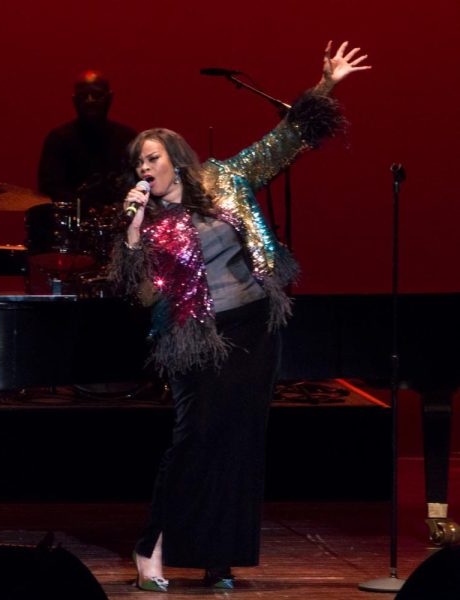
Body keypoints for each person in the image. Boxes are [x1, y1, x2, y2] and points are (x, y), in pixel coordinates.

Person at [110, 41, 370, 591]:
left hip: (253, 326)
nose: (144, 166)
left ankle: (218, 560)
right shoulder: (149, 223)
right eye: (138, 161)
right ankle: (151, 545)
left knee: (240, 441)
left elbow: (284, 141)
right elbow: (141, 299)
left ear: (175, 157)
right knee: (194, 438)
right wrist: (133, 237)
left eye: (151, 156)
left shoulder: (226, 179)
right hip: (195, 340)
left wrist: (326, 86)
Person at [37, 70, 137, 209]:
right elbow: (49, 187)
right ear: (75, 100)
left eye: (97, 95)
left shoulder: (128, 138)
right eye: (83, 96)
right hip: (73, 221)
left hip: (120, 221)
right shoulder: (59, 139)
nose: (90, 100)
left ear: (109, 98)